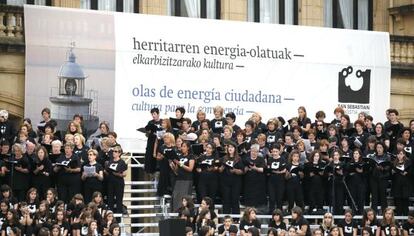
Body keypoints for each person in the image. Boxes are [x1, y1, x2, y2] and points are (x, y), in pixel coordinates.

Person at [218, 141, 244, 214]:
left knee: (235, 199)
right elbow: (219, 170)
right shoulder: (223, 158)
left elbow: (242, 171)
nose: (230, 148)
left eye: (232, 147)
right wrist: (222, 166)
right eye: (229, 147)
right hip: (225, 182)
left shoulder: (238, 159)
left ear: (235, 149)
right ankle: (226, 217)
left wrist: (235, 170)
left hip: (236, 182)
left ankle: (236, 219)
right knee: (226, 200)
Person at [170, 141, 195, 212]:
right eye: (182, 146)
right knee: (176, 197)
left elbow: (190, 169)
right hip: (179, 179)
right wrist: (173, 166)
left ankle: (187, 212)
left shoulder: (191, 156)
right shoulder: (179, 156)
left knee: (186, 197)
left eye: (184, 146)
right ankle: (177, 212)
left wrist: (180, 164)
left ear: (188, 148)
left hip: (187, 179)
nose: (182, 148)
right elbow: (176, 171)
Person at [104, 145, 127, 214]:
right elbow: (107, 170)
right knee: (110, 200)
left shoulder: (122, 162)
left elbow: (124, 174)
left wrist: (117, 174)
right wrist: (106, 171)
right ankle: (110, 215)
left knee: (119, 200)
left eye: (116, 151)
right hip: (110, 181)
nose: (114, 153)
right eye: (113, 151)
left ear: (119, 153)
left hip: (118, 182)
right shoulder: (110, 161)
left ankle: (119, 217)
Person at [370, 142, 391, 213]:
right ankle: (373, 214)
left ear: (383, 148)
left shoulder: (387, 157)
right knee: (374, 197)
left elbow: (389, 168)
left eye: (380, 147)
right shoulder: (373, 157)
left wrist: (383, 168)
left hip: (383, 178)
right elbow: (370, 168)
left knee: (383, 197)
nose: (379, 149)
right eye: (377, 147)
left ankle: (385, 214)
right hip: (374, 178)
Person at [243, 144, 266, 208]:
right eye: (252, 151)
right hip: (248, 183)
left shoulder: (261, 159)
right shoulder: (246, 159)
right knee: (249, 202)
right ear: (250, 151)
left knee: (258, 202)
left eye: (256, 151)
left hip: (258, 183)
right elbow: (243, 170)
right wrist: (247, 169)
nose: (254, 153)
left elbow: (262, 169)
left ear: (258, 152)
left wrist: (255, 168)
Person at [267, 143, 287, 213]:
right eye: (273, 151)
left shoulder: (282, 159)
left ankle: (279, 214)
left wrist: (278, 172)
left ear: (279, 151)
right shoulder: (269, 159)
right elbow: (268, 169)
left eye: (276, 151)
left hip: (280, 181)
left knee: (279, 199)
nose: (275, 153)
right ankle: (270, 214)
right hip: (271, 181)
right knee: (272, 198)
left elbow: (284, 170)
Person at [346, 148, 367, 215]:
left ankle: (360, 217)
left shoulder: (363, 163)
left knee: (360, 201)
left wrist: (361, 172)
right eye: (354, 153)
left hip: (361, 185)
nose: (355, 155)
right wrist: (350, 174)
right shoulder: (349, 163)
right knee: (353, 201)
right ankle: (353, 217)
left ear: (360, 155)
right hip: (352, 185)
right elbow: (346, 173)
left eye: (357, 153)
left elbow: (366, 174)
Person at [392, 150, 412, 216]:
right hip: (397, 186)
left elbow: (411, 173)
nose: (399, 155)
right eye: (398, 154)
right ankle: (399, 221)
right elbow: (390, 175)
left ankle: (406, 219)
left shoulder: (408, 163)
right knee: (398, 206)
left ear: (404, 155)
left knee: (405, 205)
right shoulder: (394, 163)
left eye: (401, 154)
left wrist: (407, 173)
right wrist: (392, 172)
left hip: (405, 186)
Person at [144, 108, 162, 174]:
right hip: (151, 141)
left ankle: (158, 170)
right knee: (150, 157)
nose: (153, 115)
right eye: (152, 114)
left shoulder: (162, 121)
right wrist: (147, 132)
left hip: (159, 142)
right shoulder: (150, 122)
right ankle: (151, 171)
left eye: (154, 114)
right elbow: (147, 133)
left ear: (158, 114)